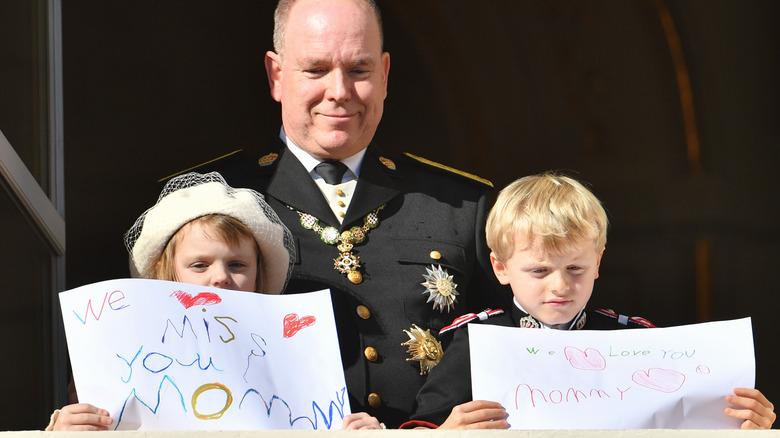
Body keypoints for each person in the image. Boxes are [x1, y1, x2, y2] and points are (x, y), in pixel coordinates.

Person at [170, 0, 506, 428]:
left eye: (359, 71)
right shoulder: (207, 198)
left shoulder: (460, 204)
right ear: (276, 76)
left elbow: (514, 343)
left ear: (384, 75)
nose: (339, 91)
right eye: (315, 70)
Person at [401, 172, 776, 430]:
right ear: (500, 267)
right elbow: (426, 422)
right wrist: (443, 432)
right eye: (539, 271)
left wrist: (748, 425)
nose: (560, 286)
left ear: (598, 262)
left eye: (576, 268)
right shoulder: (475, 338)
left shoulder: (637, 340)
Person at [47, 172, 382, 430]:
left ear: (258, 277)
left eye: (237, 265)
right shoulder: (116, 363)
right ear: (167, 274)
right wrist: (63, 430)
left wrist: (360, 432)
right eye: (199, 265)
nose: (220, 277)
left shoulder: (305, 367)